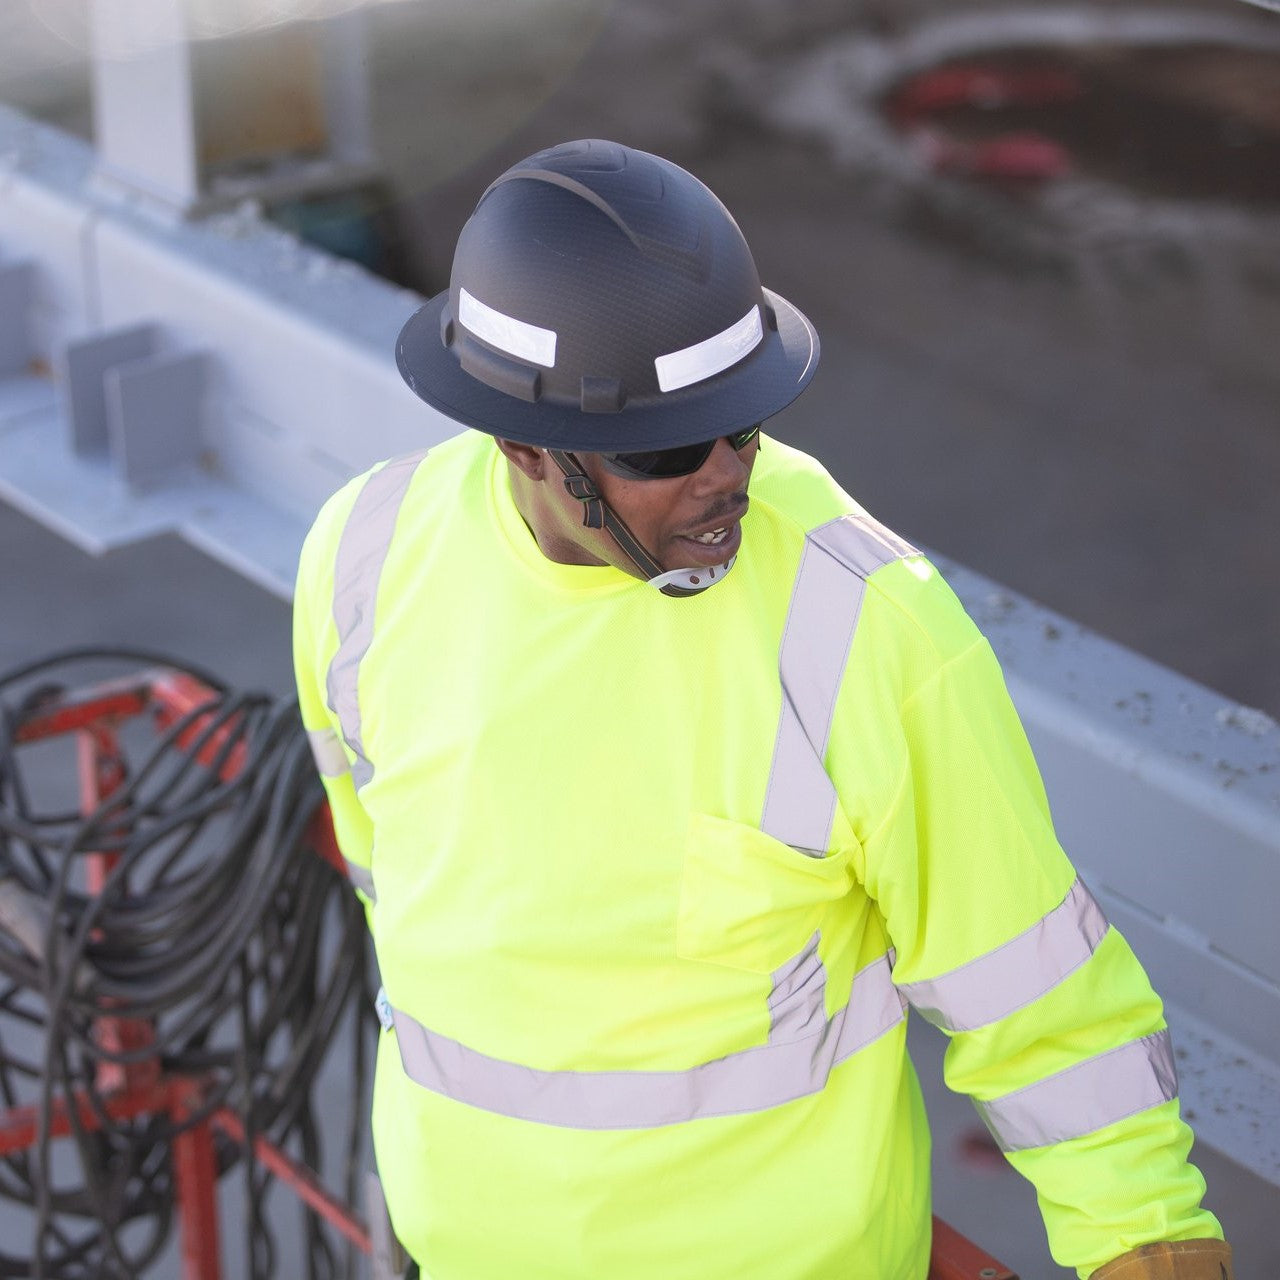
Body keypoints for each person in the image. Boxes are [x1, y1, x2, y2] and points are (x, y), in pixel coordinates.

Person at [292, 139, 1231, 1280]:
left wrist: (1145, 1241)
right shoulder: (363, 557)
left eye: (744, 418)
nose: (729, 468)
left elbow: (1040, 1004)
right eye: (672, 444)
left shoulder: (857, 624)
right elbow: (387, 863)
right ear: (525, 443)